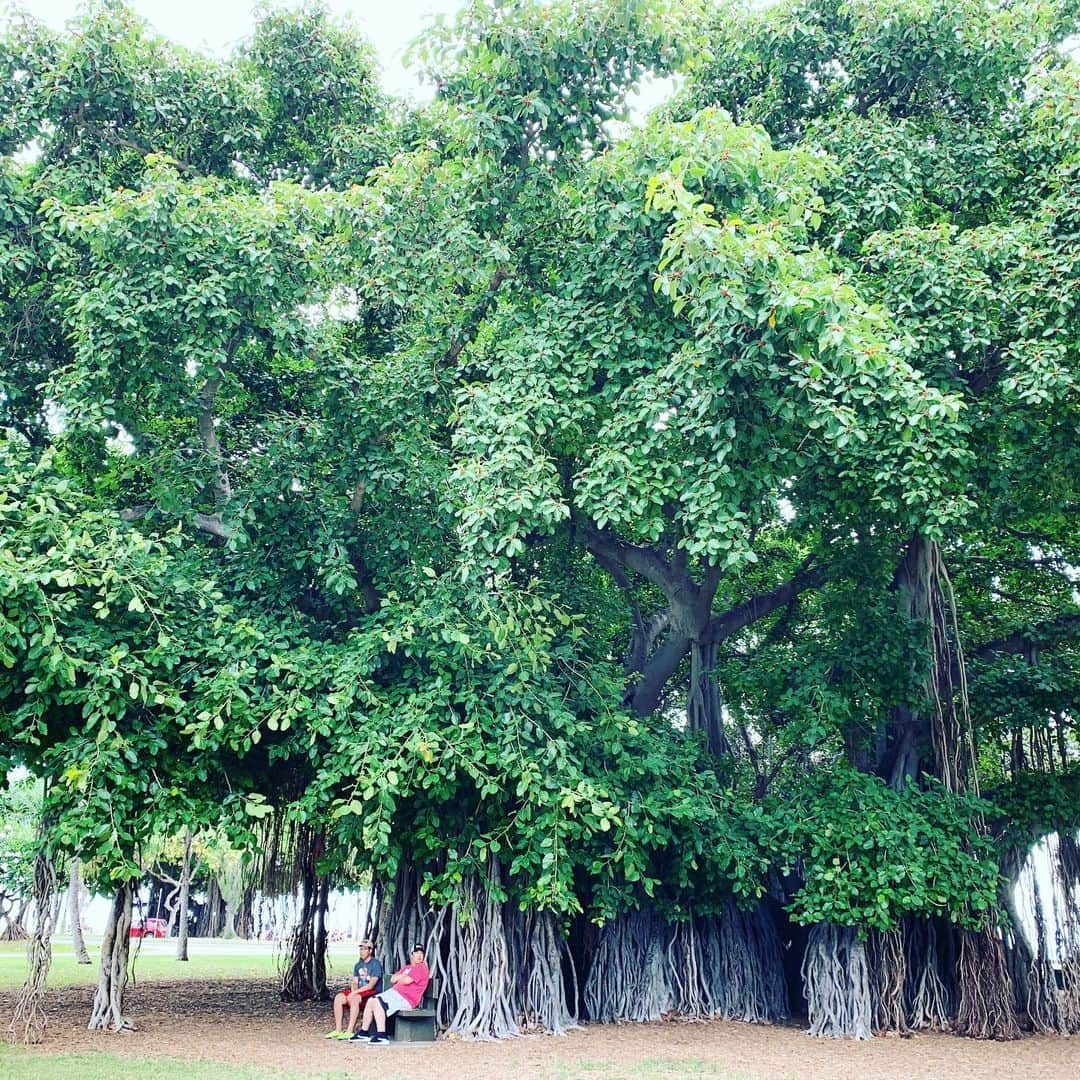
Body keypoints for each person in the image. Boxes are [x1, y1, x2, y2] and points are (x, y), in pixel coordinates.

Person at [351, 942, 430, 1044]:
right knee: (371, 1000)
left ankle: (382, 1035)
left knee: (378, 1002)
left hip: (406, 999)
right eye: (416, 953)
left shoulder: (421, 968)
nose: (419, 956)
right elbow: (393, 979)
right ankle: (364, 1032)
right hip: (395, 994)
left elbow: (406, 981)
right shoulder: (407, 968)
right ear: (411, 955)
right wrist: (402, 977)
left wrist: (400, 978)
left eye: (421, 953)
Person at [325, 939, 383, 1039]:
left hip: (371, 993)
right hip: (359, 992)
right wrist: (353, 991)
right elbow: (355, 982)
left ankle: (350, 1030)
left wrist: (354, 993)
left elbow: (371, 985)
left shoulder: (375, 964)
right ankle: (338, 1029)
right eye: (360, 949)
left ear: (370, 951)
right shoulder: (358, 965)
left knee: (354, 998)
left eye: (364, 949)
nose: (361, 951)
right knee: (339, 997)